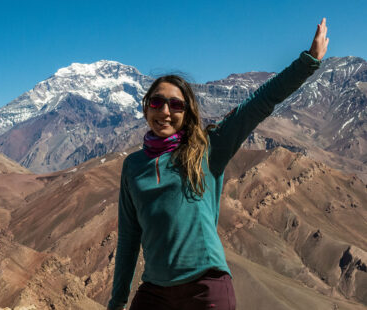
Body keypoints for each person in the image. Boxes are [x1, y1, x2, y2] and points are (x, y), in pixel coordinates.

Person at [107, 18, 329, 310]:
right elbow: (129, 238)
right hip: (155, 292)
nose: (165, 111)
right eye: (156, 102)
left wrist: (308, 61)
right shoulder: (133, 166)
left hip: (205, 288)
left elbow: (258, 103)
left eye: (176, 105)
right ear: (146, 106)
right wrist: (118, 301)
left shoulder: (206, 149)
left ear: (187, 113)